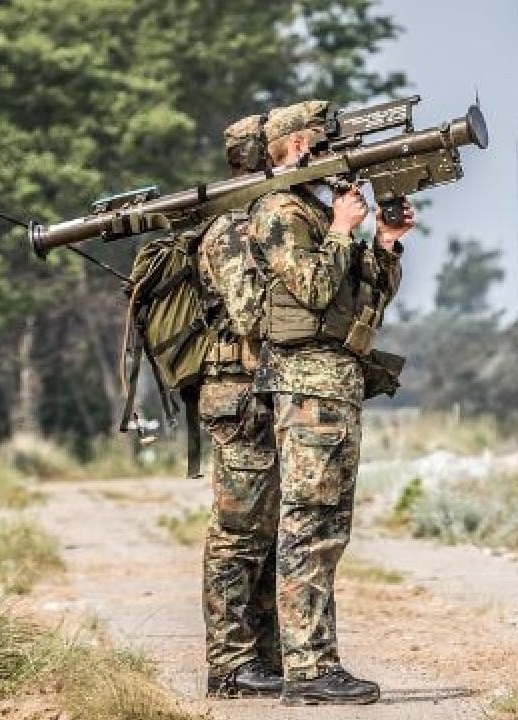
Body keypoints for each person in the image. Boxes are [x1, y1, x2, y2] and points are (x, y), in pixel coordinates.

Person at [247, 100, 411, 706]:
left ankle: (313, 665)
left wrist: (386, 243)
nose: (331, 150)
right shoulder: (277, 211)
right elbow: (312, 287)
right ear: (295, 147)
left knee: (327, 528)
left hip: (334, 385)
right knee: (308, 527)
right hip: (309, 386)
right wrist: (343, 226)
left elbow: (363, 296)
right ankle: (309, 672)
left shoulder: (313, 211)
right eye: (321, 140)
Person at [198, 113, 283, 698]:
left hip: (271, 393)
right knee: (237, 535)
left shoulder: (268, 222)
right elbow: (253, 313)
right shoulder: (231, 230)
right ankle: (230, 665)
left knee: (274, 533)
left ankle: (266, 657)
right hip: (239, 395)